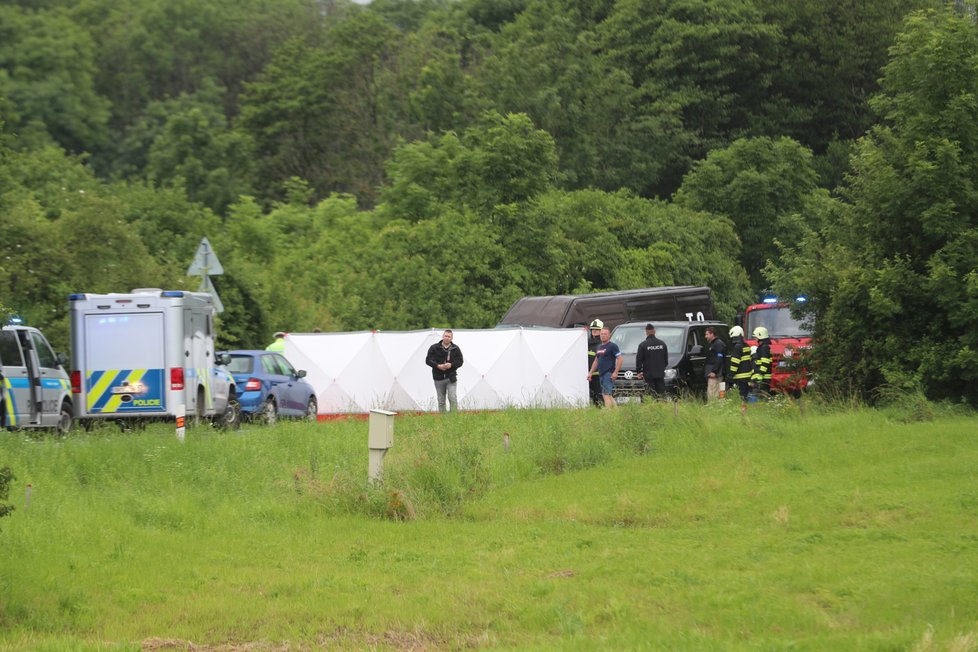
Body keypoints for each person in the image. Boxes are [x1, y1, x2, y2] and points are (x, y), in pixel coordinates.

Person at [425, 329, 464, 413]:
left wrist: (451, 365)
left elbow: (460, 361)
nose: (447, 338)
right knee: (441, 400)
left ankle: (453, 417)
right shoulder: (434, 348)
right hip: (438, 378)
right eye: (445, 336)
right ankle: (443, 419)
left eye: (449, 336)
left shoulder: (455, 348)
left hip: (451, 378)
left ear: (451, 338)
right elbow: (428, 360)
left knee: (452, 397)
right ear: (442, 336)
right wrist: (438, 366)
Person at [587, 326, 622, 409]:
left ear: (609, 335)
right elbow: (596, 361)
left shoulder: (612, 346)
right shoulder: (599, 347)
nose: (603, 336)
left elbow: (620, 359)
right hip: (601, 374)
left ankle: (608, 414)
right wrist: (590, 372)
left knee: (605, 395)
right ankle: (617, 412)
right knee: (608, 395)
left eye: (605, 334)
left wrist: (615, 372)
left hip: (608, 373)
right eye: (602, 334)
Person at [635, 323, 668, 400]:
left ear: (646, 332)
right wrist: (661, 368)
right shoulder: (662, 344)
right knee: (662, 395)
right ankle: (662, 408)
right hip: (660, 374)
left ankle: (653, 409)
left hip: (648, 375)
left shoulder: (643, 345)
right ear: (655, 331)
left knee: (650, 394)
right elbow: (666, 360)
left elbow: (639, 360)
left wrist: (639, 372)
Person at [727, 325, 753, 405]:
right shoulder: (747, 346)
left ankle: (743, 411)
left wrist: (730, 375)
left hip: (740, 377)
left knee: (742, 397)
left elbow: (735, 363)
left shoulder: (737, 347)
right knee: (747, 395)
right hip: (748, 376)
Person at [704, 326, 726, 401]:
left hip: (715, 374)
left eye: (707, 334)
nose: (705, 336)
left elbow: (719, 358)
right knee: (719, 392)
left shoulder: (718, 344)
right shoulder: (713, 344)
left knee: (712, 393)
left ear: (712, 334)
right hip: (715, 373)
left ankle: (713, 407)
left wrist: (714, 371)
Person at [751, 325, 773, 398]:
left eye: (755, 337)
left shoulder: (764, 348)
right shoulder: (762, 347)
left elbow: (765, 362)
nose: (755, 339)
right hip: (762, 376)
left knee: (763, 395)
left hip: (764, 376)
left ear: (760, 336)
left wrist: (760, 374)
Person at [586, 319, 604, 406]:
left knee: (599, 395)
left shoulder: (602, 344)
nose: (594, 331)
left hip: (598, 375)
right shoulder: (586, 343)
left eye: (596, 330)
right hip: (588, 375)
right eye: (593, 329)